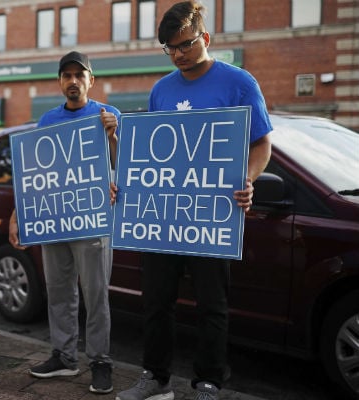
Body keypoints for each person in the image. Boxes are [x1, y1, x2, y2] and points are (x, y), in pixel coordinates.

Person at [115, 2, 272, 400]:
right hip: (163, 218)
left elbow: (262, 144)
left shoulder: (239, 82)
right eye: (170, 48)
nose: (179, 53)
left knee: (211, 305)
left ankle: (208, 381)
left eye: (185, 44)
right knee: (156, 301)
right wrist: (126, 185)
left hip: (212, 215)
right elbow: (150, 155)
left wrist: (249, 179)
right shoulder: (161, 89)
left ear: (204, 38)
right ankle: (155, 376)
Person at [8, 51, 120, 394]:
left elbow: (125, 165)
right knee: (59, 290)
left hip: (93, 220)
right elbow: (34, 176)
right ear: (60, 82)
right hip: (54, 220)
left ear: (91, 81)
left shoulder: (108, 115)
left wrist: (113, 137)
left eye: (79, 75)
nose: (73, 81)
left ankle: (100, 360)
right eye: (66, 75)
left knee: (96, 293)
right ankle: (64, 357)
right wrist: (18, 214)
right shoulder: (47, 121)